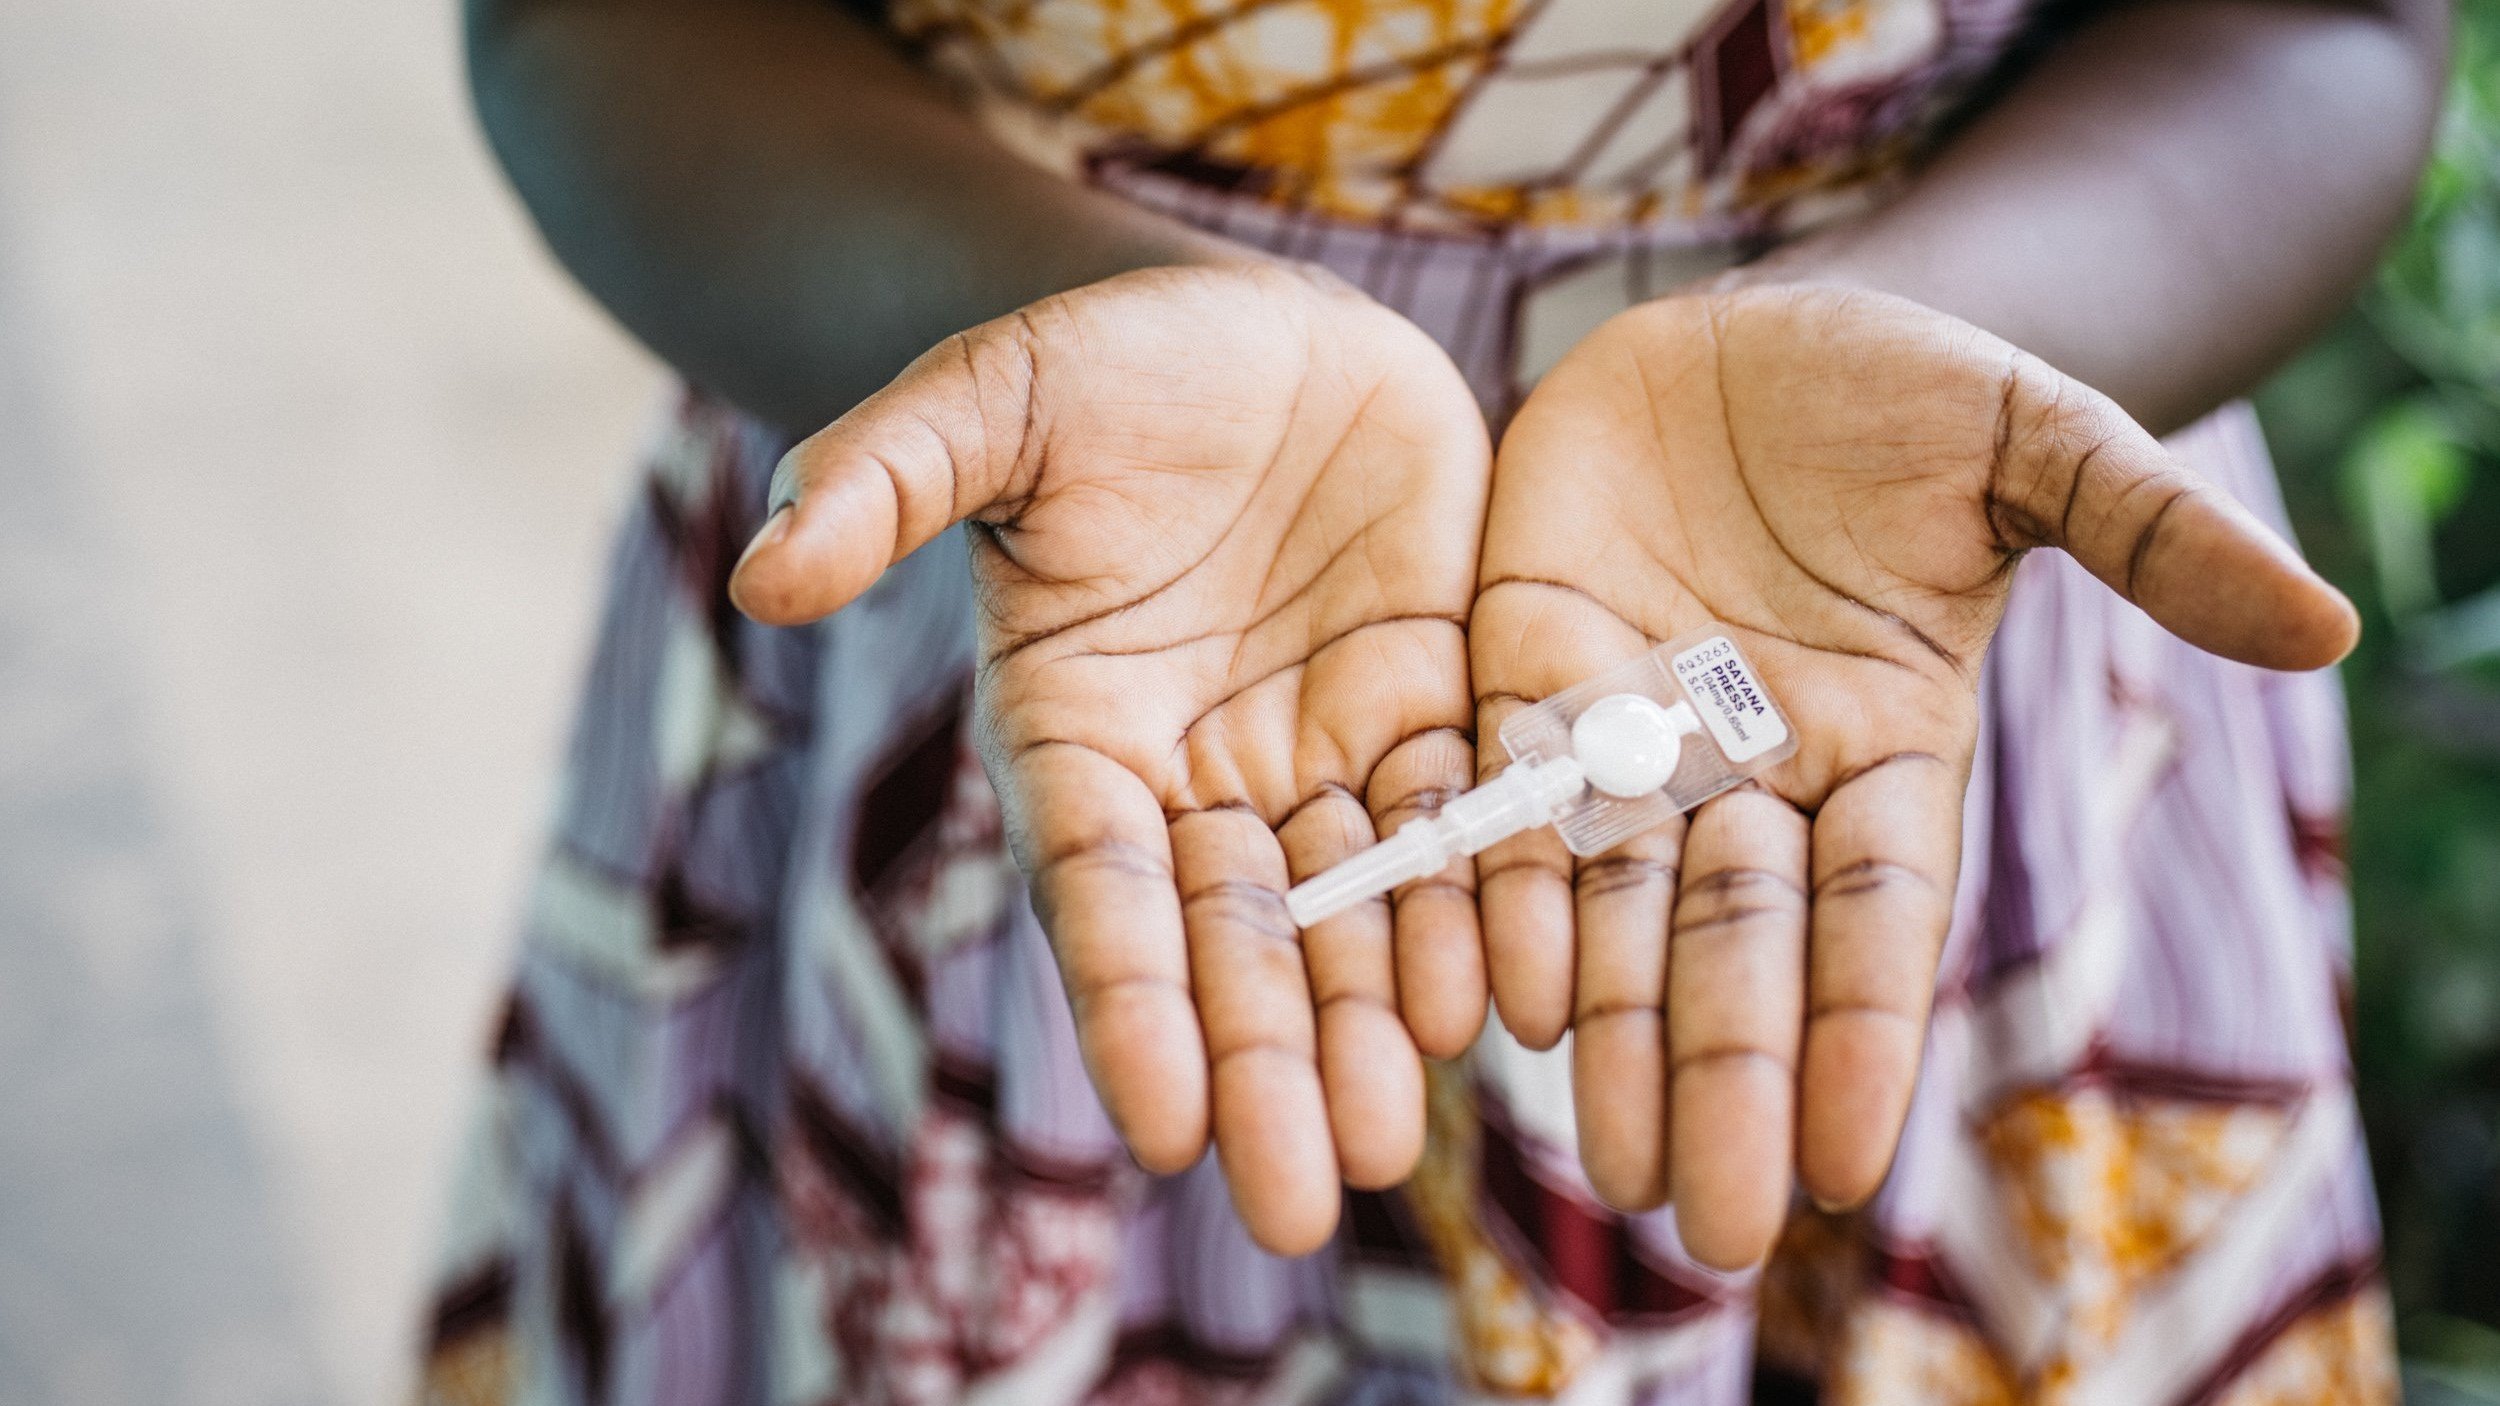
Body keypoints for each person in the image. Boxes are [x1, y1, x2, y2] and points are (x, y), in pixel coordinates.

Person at [418, 0, 2446, 1396]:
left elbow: (2329, 28)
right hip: (1033, 625)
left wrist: (1955, 351)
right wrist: (1034, 323)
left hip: (1901, 631)